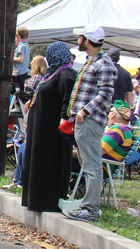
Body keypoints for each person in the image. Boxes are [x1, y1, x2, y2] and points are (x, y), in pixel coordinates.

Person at [62, 26, 116, 222]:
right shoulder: (94, 61)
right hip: (85, 121)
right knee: (88, 164)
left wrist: (84, 112)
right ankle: (87, 204)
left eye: (80, 37)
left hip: (90, 121)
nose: (78, 40)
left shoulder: (104, 63)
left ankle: (91, 209)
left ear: (87, 40)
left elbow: (106, 93)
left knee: (92, 165)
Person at [19, 42, 77, 209]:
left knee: (49, 163)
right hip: (41, 129)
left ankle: (46, 201)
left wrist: (63, 118)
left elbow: (67, 101)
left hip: (51, 131)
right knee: (38, 161)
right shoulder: (53, 74)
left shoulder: (66, 75)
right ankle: (34, 199)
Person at [12, 27, 30, 92]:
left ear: (18, 36)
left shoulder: (22, 46)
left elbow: (20, 59)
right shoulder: (26, 45)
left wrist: (11, 58)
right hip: (24, 71)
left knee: (18, 91)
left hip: (20, 72)